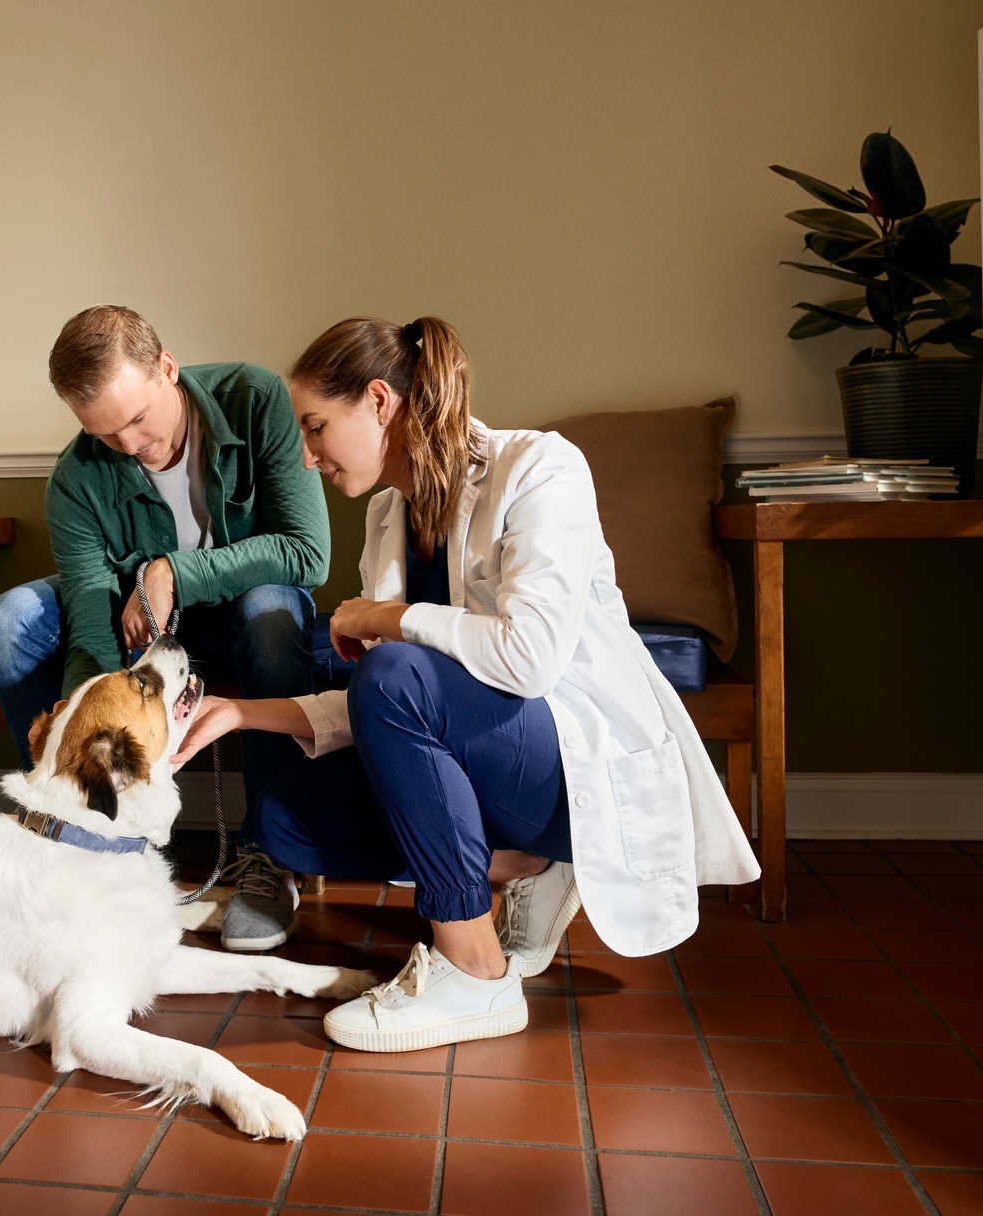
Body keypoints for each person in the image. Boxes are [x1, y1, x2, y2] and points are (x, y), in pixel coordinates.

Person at [172, 316, 760, 1052]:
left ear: (380, 402)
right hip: (491, 766)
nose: (306, 453)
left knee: (391, 670)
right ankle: (522, 862)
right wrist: (240, 713)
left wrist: (392, 616)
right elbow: (392, 706)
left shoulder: (542, 467)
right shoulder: (390, 514)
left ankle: (475, 972)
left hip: (572, 774)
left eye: (316, 427)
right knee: (288, 818)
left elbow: (527, 659)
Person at [0, 305, 330, 951]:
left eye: (138, 419)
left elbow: (307, 553)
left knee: (270, 611)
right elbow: (90, 611)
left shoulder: (256, 398)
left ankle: (268, 857)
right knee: (9, 621)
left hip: (243, 612)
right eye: (106, 434)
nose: (131, 447)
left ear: (167, 368)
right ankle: (76, 828)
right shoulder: (76, 478)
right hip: (132, 625)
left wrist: (175, 572)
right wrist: (98, 716)